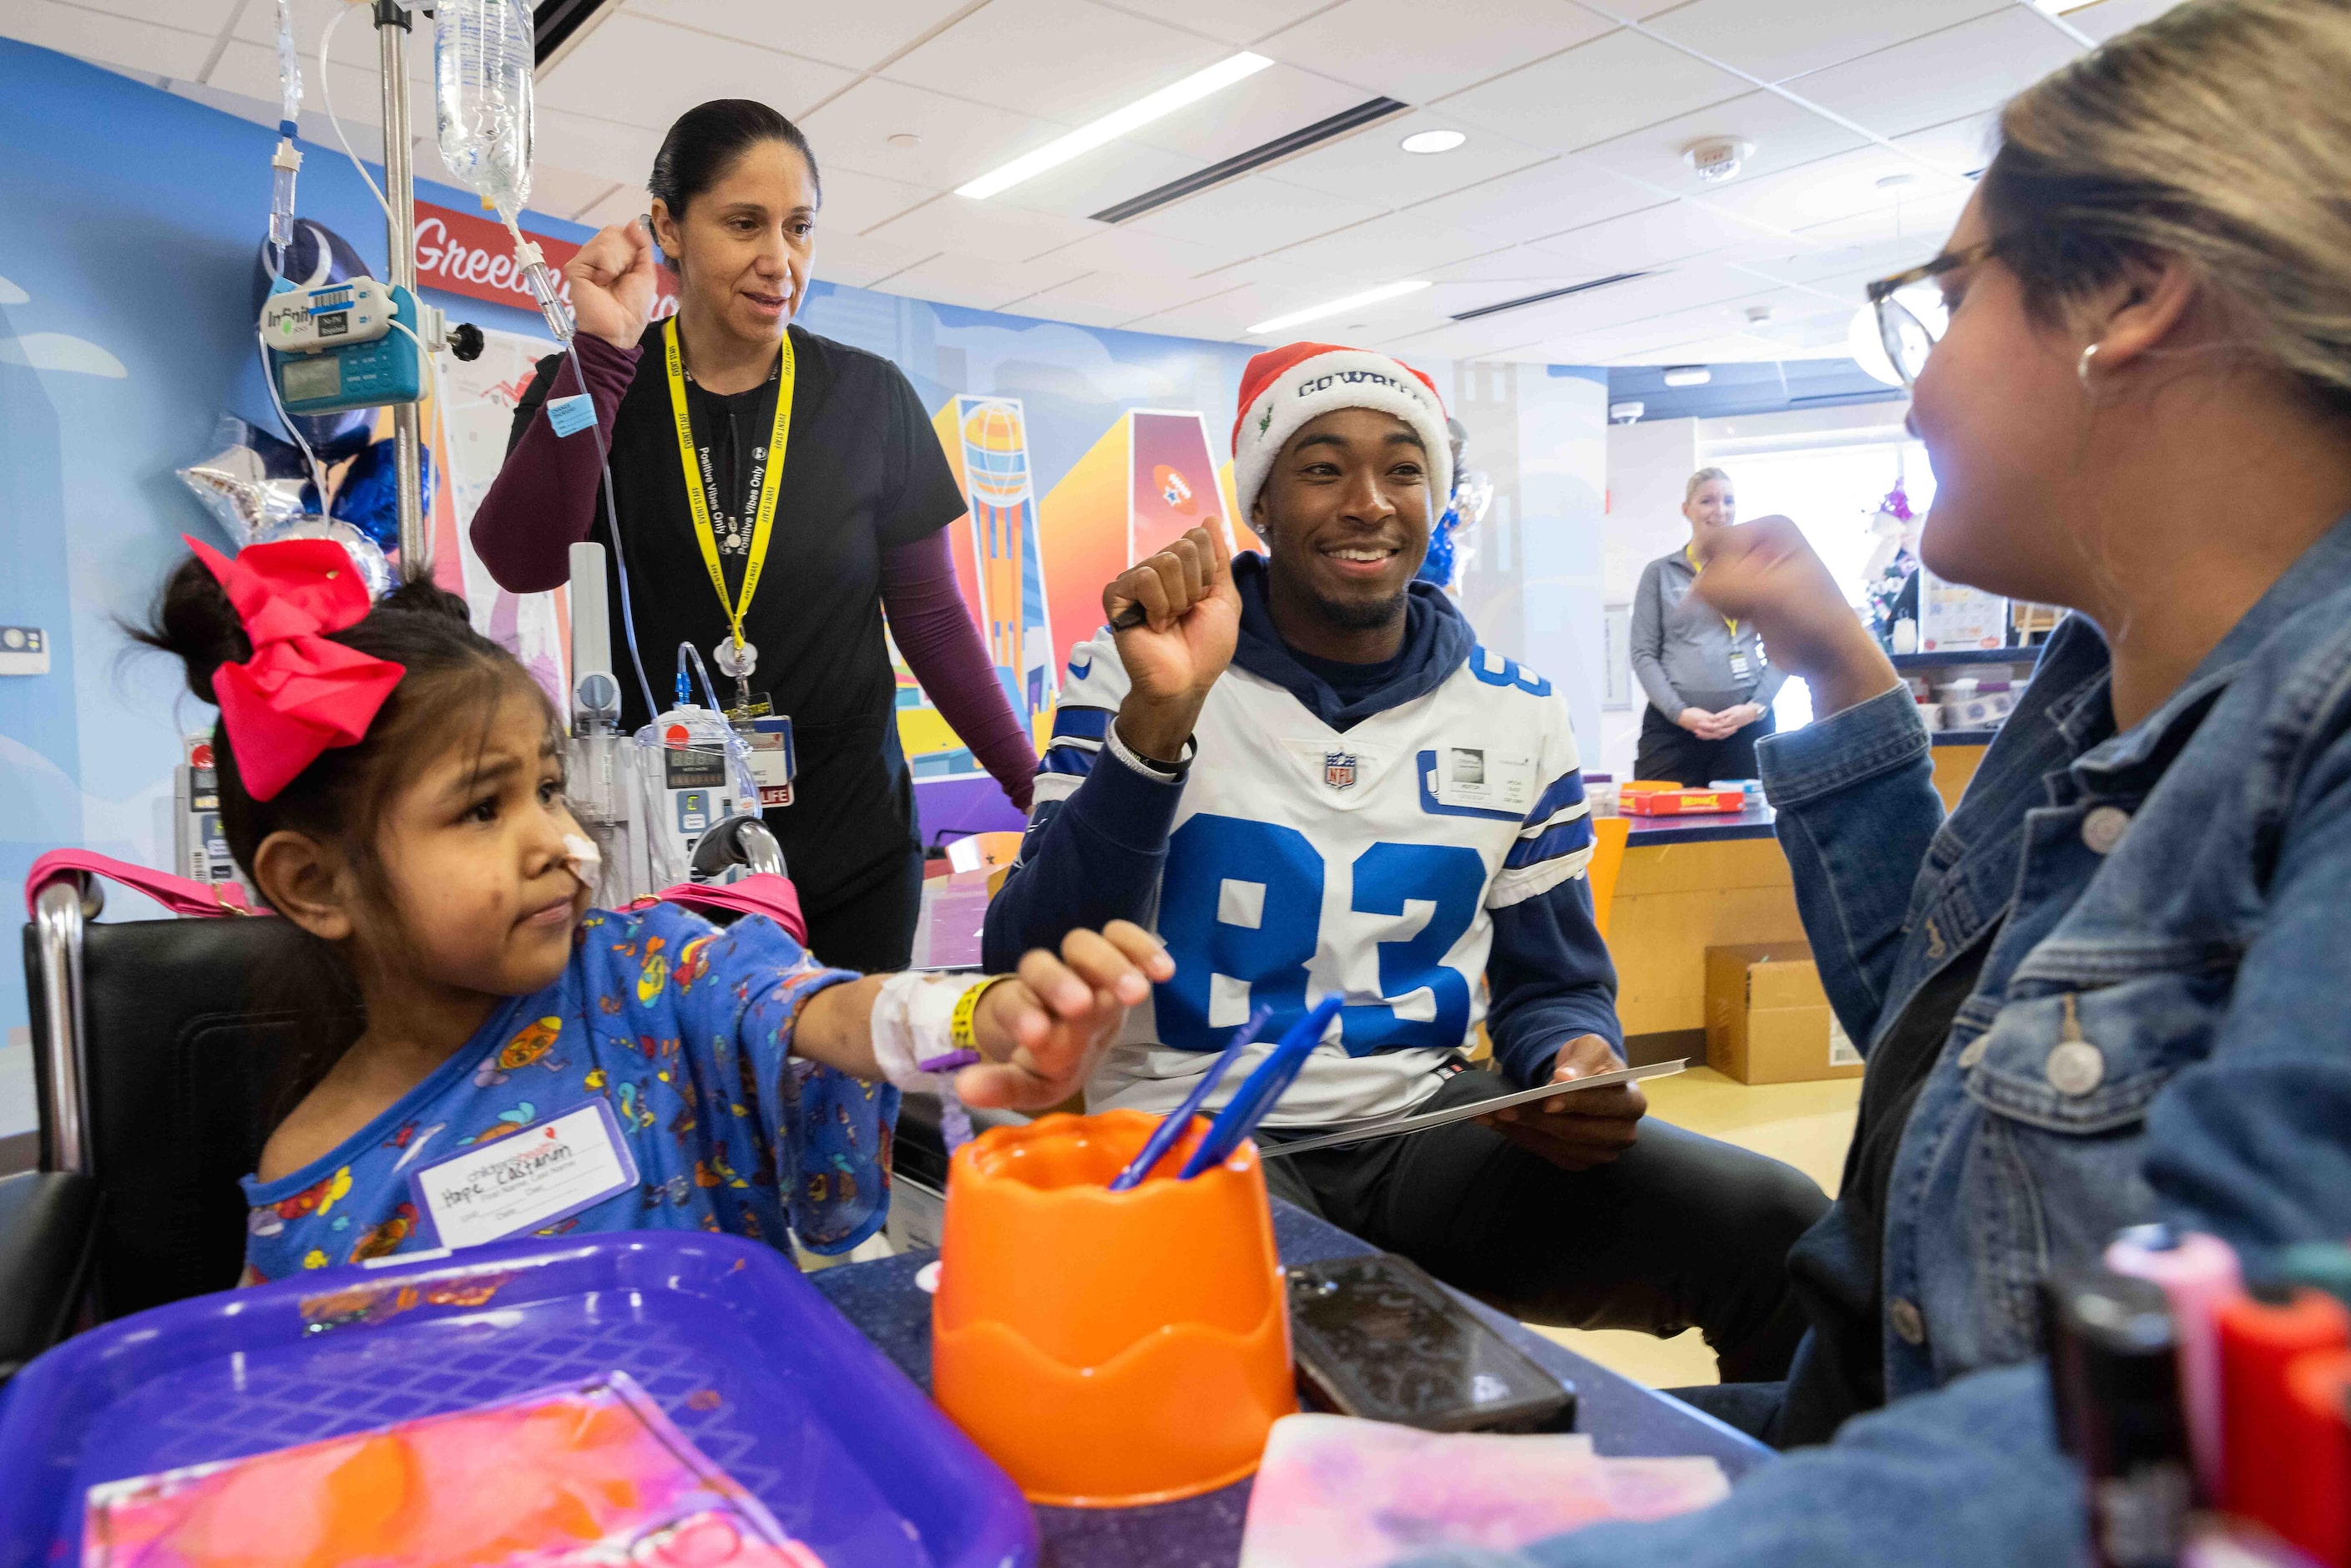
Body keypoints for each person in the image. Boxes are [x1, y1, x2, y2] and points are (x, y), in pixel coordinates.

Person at [1409, 1, 2351, 1562]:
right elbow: (1949, 1043)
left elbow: (2221, 1417)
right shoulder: (2090, 692)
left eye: (1946, 298)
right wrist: (1840, 678)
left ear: (2126, 292)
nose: (1915, 390)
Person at [983, 343, 1828, 1379]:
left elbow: (1552, 984)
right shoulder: (1132, 667)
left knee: (1783, 1237)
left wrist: (1571, 1065)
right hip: (1193, 1131)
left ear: (1436, 499)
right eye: (1322, 467)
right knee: (1333, 1357)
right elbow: (1025, 954)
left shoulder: (1515, 712)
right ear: (1261, 499)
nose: (1368, 502)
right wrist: (1157, 724)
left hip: (1422, 1130)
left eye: (1401, 468)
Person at [133, 534, 1166, 1283]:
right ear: (315, 884)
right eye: (480, 809)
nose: (556, 840)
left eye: (546, 788)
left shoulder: (646, 971)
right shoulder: (323, 1190)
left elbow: (816, 1012)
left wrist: (981, 1018)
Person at [468, 100, 1036, 975]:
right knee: (691, 1104)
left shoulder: (869, 397)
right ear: (668, 227)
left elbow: (929, 616)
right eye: (744, 224)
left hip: (852, 846)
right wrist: (604, 355)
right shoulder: (592, 384)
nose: (781, 261)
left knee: (846, 1100)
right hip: (663, 847)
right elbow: (523, 557)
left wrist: (1030, 787)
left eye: (799, 228)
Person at [1628, 468, 1785, 784]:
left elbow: (1784, 648)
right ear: (1687, 510)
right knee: (1662, 829)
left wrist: (1756, 707)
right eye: (1707, 501)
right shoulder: (1660, 573)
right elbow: (1643, 653)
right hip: (1673, 730)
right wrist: (1679, 713)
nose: (1720, 510)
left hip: (1747, 727)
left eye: (1728, 500)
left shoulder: (1759, 572)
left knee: (1745, 830)